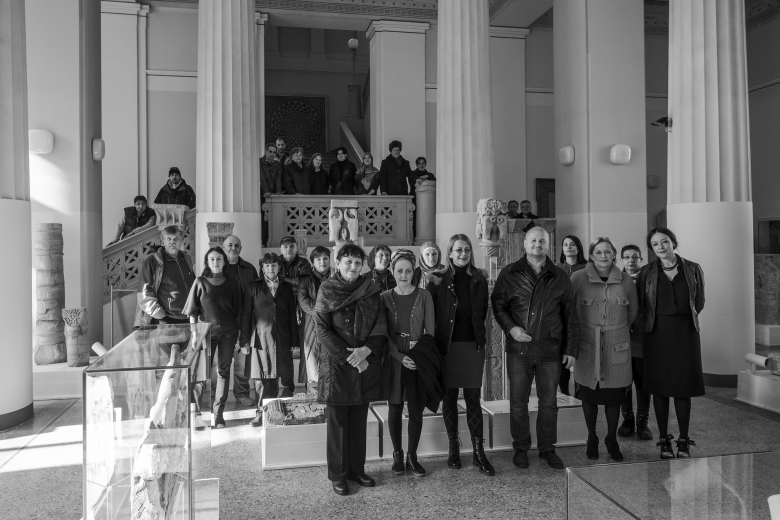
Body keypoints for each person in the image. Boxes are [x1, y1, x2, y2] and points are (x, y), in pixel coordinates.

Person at [491, 226, 579, 470]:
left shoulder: (560, 276)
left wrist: (571, 349)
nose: (537, 244)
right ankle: (520, 447)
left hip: (550, 350)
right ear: (525, 244)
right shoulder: (510, 273)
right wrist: (511, 329)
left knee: (548, 403)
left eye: (542, 241)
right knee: (518, 402)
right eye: (533, 241)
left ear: (548, 245)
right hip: (519, 350)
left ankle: (547, 449)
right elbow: (498, 304)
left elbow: (571, 315)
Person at [314, 244, 387, 496]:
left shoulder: (371, 290)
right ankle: (338, 474)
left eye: (357, 263)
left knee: (358, 422)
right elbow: (322, 330)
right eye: (348, 262)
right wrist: (351, 357)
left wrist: (366, 351)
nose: (353, 267)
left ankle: (357, 469)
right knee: (338, 424)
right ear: (338, 262)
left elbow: (380, 326)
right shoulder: (327, 289)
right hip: (337, 366)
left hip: (364, 362)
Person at [428, 234, 494, 476]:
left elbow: (483, 313)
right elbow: (431, 317)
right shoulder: (437, 280)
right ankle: (453, 448)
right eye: (458, 250)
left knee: (474, 399)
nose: (463, 254)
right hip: (447, 347)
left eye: (466, 250)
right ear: (450, 253)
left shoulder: (479, 279)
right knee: (450, 398)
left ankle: (478, 452)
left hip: (473, 347)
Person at [638, 227, 705, 459]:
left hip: (686, 332)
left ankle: (684, 441)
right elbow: (641, 304)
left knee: (683, 388)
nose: (661, 247)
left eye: (664, 241)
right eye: (655, 244)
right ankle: (664, 440)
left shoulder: (693, 268)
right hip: (656, 333)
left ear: (672, 242)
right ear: (652, 248)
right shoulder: (647, 272)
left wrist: (683, 317)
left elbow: (699, 300)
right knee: (660, 389)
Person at [571, 237, 638, 462]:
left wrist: (617, 330)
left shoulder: (626, 280)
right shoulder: (578, 278)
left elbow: (633, 311)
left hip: (616, 343)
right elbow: (569, 309)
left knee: (613, 396)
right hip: (587, 343)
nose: (603, 255)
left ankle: (611, 439)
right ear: (591, 255)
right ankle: (592, 438)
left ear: (613, 255)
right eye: (598, 252)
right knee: (588, 395)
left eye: (607, 252)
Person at [381, 249, 439, 478]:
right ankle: (397, 454)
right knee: (394, 407)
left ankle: (412, 456)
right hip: (394, 359)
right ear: (392, 272)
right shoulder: (384, 297)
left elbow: (430, 333)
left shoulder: (424, 296)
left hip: (417, 359)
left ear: (413, 272)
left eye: (407, 271)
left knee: (415, 407)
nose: (403, 275)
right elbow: (382, 333)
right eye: (399, 271)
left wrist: (416, 357)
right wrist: (399, 356)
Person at [183, 247, 243, 429]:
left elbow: (239, 312)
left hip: (228, 333)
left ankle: (218, 415)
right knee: (200, 374)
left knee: (223, 372)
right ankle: (196, 415)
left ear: (224, 261)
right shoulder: (200, 282)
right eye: (212, 259)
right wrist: (194, 334)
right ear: (207, 262)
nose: (216, 262)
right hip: (204, 333)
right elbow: (192, 311)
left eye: (219, 259)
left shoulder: (232, 283)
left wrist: (240, 336)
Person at [241, 253, 299, 426]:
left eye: (274, 265)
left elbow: (292, 316)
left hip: (283, 337)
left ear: (279, 267)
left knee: (286, 377)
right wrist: (244, 340)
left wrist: (295, 342)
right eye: (267, 266)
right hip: (261, 338)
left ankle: (287, 412)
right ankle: (262, 413)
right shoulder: (253, 286)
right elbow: (246, 314)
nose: (271, 269)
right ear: (262, 267)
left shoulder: (286, 288)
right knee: (263, 378)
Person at [617, 244, 653, 441]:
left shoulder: (648, 279)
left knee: (642, 382)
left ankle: (643, 421)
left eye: (635, 257)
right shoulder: (616, 279)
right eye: (627, 257)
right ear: (622, 260)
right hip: (621, 339)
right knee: (624, 381)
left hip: (642, 337)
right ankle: (627, 419)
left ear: (640, 259)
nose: (631, 260)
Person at [221, 235, 259, 408]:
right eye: (230, 245)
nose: (233, 248)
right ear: (224, 247)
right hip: (223, 322)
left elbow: (258, 293)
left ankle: (242, 394)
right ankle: (218, 397)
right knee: (221, 362)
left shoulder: (249, 268)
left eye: (237, 245)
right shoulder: (216, 266)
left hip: (245, 320)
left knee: (242, 361)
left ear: (241, 248)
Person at [136, 225, 196, 328]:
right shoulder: (153, 262)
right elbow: (144, 293)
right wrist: (160, 315)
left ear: (181, 242)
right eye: (169, 239)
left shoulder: (186, 260)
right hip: (167, 321)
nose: (172, 242)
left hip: (188, 319)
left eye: (176, 239)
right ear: (163, 242)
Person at [297, 246, 332, 396]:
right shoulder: (305, 279)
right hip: (312, 325)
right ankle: (313, 398)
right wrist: (325, 311)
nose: (322, 262)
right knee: (312, 358)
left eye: (325, 258)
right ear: (313, 262)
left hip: (333, 324)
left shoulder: (337, 277)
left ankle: (330, 398)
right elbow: (304, 302)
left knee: (331, 358)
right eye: (318, 259)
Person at [556, 235, 587, 396]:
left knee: (582, 358)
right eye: (565, 244)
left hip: (584, 317)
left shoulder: (588, 268)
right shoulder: (556, 268)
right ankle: (564, 393)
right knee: (563, 359)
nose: (568, 247)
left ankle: (581, 394)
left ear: (578, 248)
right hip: (562, 319)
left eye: (572, 244)